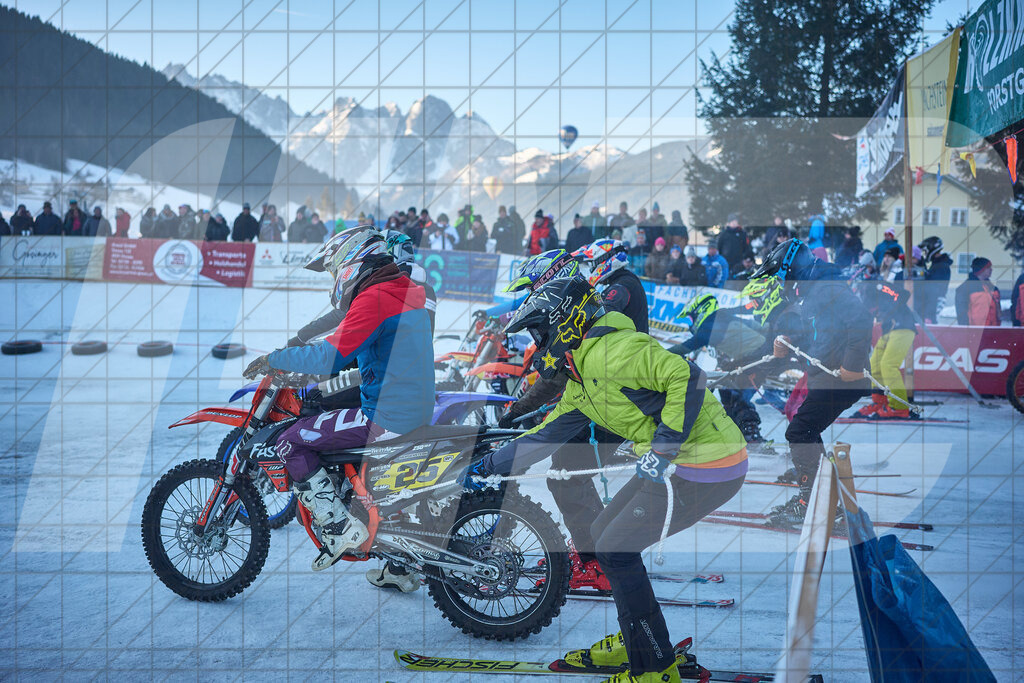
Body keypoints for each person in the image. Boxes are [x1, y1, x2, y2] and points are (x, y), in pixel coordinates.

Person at [466, 277, 746, 683]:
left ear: (565, 322)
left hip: (710, 465)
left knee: (616, 548)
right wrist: (489, 465)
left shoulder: (617, 350)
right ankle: (639, 638)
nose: (538, 344)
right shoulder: (581, 375)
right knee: (601, 535)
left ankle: (653, 669)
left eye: (540, 332)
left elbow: (689, 378)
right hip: (678, 464)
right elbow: (547, 434)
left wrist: (663, 449)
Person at [242, 227, 433, 575]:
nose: (334, 279)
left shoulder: (375, 297)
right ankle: (396, 561)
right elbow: (353, 347)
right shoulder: (401, 290)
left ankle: (338, 528)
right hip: (412, 407)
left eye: (334, 271)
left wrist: (278, 358)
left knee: (290, 441)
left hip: (387, 416)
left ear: (350, 261)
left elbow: (328, 357)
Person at [747, 239, 872, 527]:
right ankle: (821, 498)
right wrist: (791, 341)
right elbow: (822, 332)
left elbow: (862, 321)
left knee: (800, 431)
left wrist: (852, 366)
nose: (779, 283)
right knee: (806, 430)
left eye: (780, 276)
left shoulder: (826, 287)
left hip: (842, 378)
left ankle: (814, 501)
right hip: (827, 374)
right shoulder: (813, 290)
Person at [668, 293, 767, 443]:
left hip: (758, 356)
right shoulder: (719, 316)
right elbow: (743, 309)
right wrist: (754, 307)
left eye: (690, 318)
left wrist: (661, 354)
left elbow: (687, 346)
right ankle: (737, 430)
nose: (691, 323)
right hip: (751, 356)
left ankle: (751, 432)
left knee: (737, 393)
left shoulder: (709, 324)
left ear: (700, 311)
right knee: (726, 390)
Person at [852, 281, 917, 420]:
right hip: (888, 330)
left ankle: (899, 407)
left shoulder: (876, 286)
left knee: (888, 366)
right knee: (874, 366)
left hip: (902, 326)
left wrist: (887, 309)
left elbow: (903, 294)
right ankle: (880, 402)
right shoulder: (860, 295)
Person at [573, 239, 648, 333]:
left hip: (629, 345)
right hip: (630, 342)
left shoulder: (622, 285)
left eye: (592, 264)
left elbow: (604, 315)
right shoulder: (627, 279)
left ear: (602, 260)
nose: (591, 269)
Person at [914, 236, 952, 324]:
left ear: (931, 250)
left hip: (932, 308)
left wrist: (929, 316)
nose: (924, 254)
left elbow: (933, 292)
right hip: (929, 306)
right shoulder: (936, 265)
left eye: (925, 251)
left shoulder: (941, 267)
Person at [955, 257, 1001, 327]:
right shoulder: (965, 288)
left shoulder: (993, 289)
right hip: (975, 332)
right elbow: (962, 314)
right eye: (988, 267)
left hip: (992, 331)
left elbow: (998, 313)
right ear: (981, 270)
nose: (991, 270)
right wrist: (965, 330)